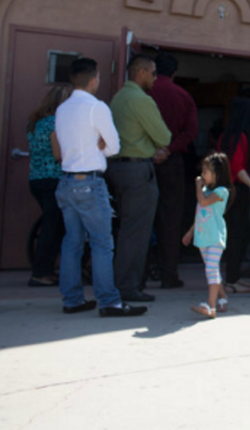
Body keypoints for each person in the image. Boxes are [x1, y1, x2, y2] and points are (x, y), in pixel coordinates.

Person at [54, 57, 145, 317]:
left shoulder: (62, 109)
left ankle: (72, 299)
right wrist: (101, 148)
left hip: (67, 181)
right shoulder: (97, 108)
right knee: (102, 244)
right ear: (94, 79)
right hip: (90, 182)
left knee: (72, 243)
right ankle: (109, 301)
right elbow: (114, 147)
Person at [107, 54, 171, 303]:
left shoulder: (118, 98)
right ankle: (128, 286)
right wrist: (154, 148)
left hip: (118, 168)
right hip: (137, 171)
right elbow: (163, 137)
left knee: (125, 231)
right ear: (141, 72)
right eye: (153, 73)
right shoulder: (141, 100)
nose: (156, 78)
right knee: (137, 232)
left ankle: (124, 282)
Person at [147, 52, 198, 290]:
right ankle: (169, 274)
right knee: (171, 219)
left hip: (142, 160)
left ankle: (138, 274)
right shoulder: (183, 96)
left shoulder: (143, 93)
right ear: (175, 72)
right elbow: (191, 132)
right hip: (172, 161)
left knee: (139, 217)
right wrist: (169, 150)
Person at [218, 97, 250, 293]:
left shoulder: (226, 136)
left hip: (227, 191)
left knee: (235, 235)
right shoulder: (241, 137)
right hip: (237, 190)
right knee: (240, 235)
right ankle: (232, 279)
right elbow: (237, 167)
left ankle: (233, 277)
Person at [26, 84, 71, 287]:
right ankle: (41, 272)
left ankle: (45, 269)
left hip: (36, 179)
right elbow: (58, 154)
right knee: (52, 227)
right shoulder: (56, 123)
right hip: (54, 179)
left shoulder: (35, 122)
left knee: (50, 224)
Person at [182, 153, 233, 318]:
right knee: (213, 270)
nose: (202, 175)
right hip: (203, 237)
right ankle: (223, 297)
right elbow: (200, 213)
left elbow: (203, 202)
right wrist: (190, 232)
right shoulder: (205, 191)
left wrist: (198, 187)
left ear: (217, 174)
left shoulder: (221, 191)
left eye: (206, 172)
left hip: (215, 237)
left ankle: (211, 306)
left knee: (211, 269)